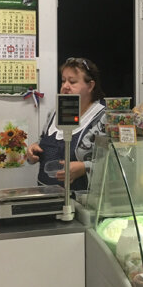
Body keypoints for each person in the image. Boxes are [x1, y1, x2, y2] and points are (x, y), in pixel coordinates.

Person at [26, 57, 106, 190]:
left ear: (90, 86)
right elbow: (43, 141)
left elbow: (115, 163)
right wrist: (33, 151)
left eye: (72, 82)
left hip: (81, 199)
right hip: (45, 195)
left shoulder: (104, 117)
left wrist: (84, 167)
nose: (65, 86)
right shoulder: (55, 112)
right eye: (63, 81)